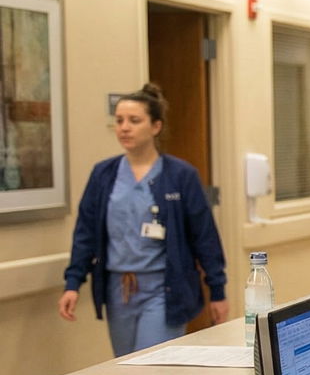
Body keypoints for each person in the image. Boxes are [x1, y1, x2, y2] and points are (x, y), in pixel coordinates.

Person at [59, 83, 227, 356]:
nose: (124, 127)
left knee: (152, 368)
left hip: (164, 288)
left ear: (156, 126)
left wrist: (217, 290)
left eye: (134, 121)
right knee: (127, 370)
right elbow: (85, 232)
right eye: (119, 121)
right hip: (118, 289)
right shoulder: (104, 174)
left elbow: (204, 236)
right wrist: (73, 284)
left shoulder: (180, 175)